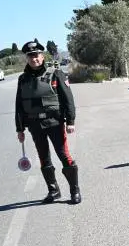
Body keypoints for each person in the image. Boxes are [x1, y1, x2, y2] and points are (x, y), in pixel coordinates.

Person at [15, 40, 81, 204]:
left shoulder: (55, 74)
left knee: (64, 156)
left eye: (36, 55)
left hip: (55, 123)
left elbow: (68, 99)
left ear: (42, 56)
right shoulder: (22, 79)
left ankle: (74, 191)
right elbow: (19, 105)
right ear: (27, 59)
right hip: (35, 126)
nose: (34, 59)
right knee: (44, 159)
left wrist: (70, 121)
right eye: (30, 56)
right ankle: (53, 191)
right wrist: (20, 129)